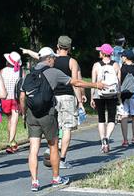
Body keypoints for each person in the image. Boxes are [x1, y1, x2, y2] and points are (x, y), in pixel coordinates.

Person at [20, 47, 103, 191]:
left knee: (33, 149)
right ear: (49, 58)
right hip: (47, 114)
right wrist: (95, 85)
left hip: (32, 115)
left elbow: (22, 96)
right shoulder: (53, 72)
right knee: (53, 146)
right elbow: (76, 82)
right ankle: (56, 178)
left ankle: (34, 182)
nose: (54, 61)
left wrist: (23, 113)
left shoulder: (29, 74)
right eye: (53, 58)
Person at [52, 35, 85, 169]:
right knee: (67, 128)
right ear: (69, 48)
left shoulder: (52, 60)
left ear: (58, 46)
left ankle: (53, 152)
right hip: (67, 97)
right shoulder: (72, 62)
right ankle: (62, 159)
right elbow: (75, 83)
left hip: (53, 96)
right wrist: (80, 101)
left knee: (55, 127)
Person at [91, 43, 121, 153]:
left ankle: (103, 139)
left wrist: (92, 97)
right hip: (112, 94)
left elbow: (93, 83)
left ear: (103, 53)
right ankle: (107, 137)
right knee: (112, 118)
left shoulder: (96, 65)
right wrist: (119, 97)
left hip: (99, 94)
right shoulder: (116, 65)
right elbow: (119, 83)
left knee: (101, 118)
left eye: (100, 51)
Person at [0, 51, 22, 154]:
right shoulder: (20, 72)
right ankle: (11, 142)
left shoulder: (2, 71)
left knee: (9, 120)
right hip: (16, 98)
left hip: (6, 98)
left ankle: (11, 141)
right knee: (15, 121)